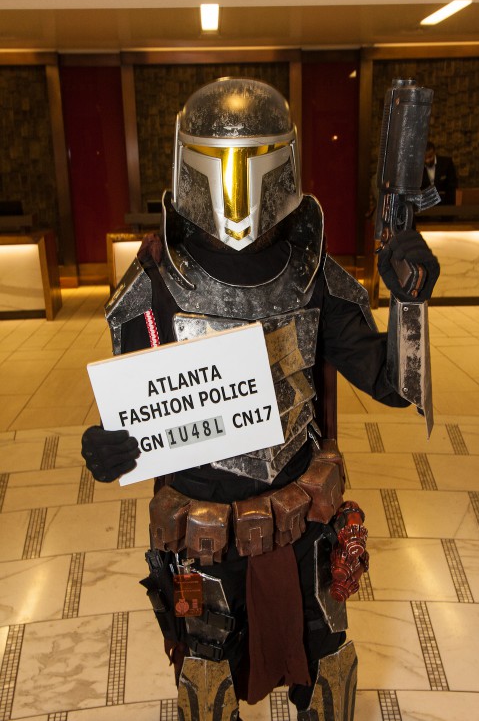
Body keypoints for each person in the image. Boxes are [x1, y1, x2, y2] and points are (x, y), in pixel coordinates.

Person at [81, 77, 439, 721]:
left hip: (302, 518)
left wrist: (409, 299)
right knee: (206, 674)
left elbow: (395, 386)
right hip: (201, 532)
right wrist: (109, 447)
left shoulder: (312, 272)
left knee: (328, 666)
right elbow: (136, 409)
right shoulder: (156, 281)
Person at [421, 140, 458, 205]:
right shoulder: (418, 168)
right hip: (425, 204)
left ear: (434, 153)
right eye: (425, 158)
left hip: (445, 203)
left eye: (430, 157)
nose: (427, 161)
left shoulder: (446, 163)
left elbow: (452, 186)